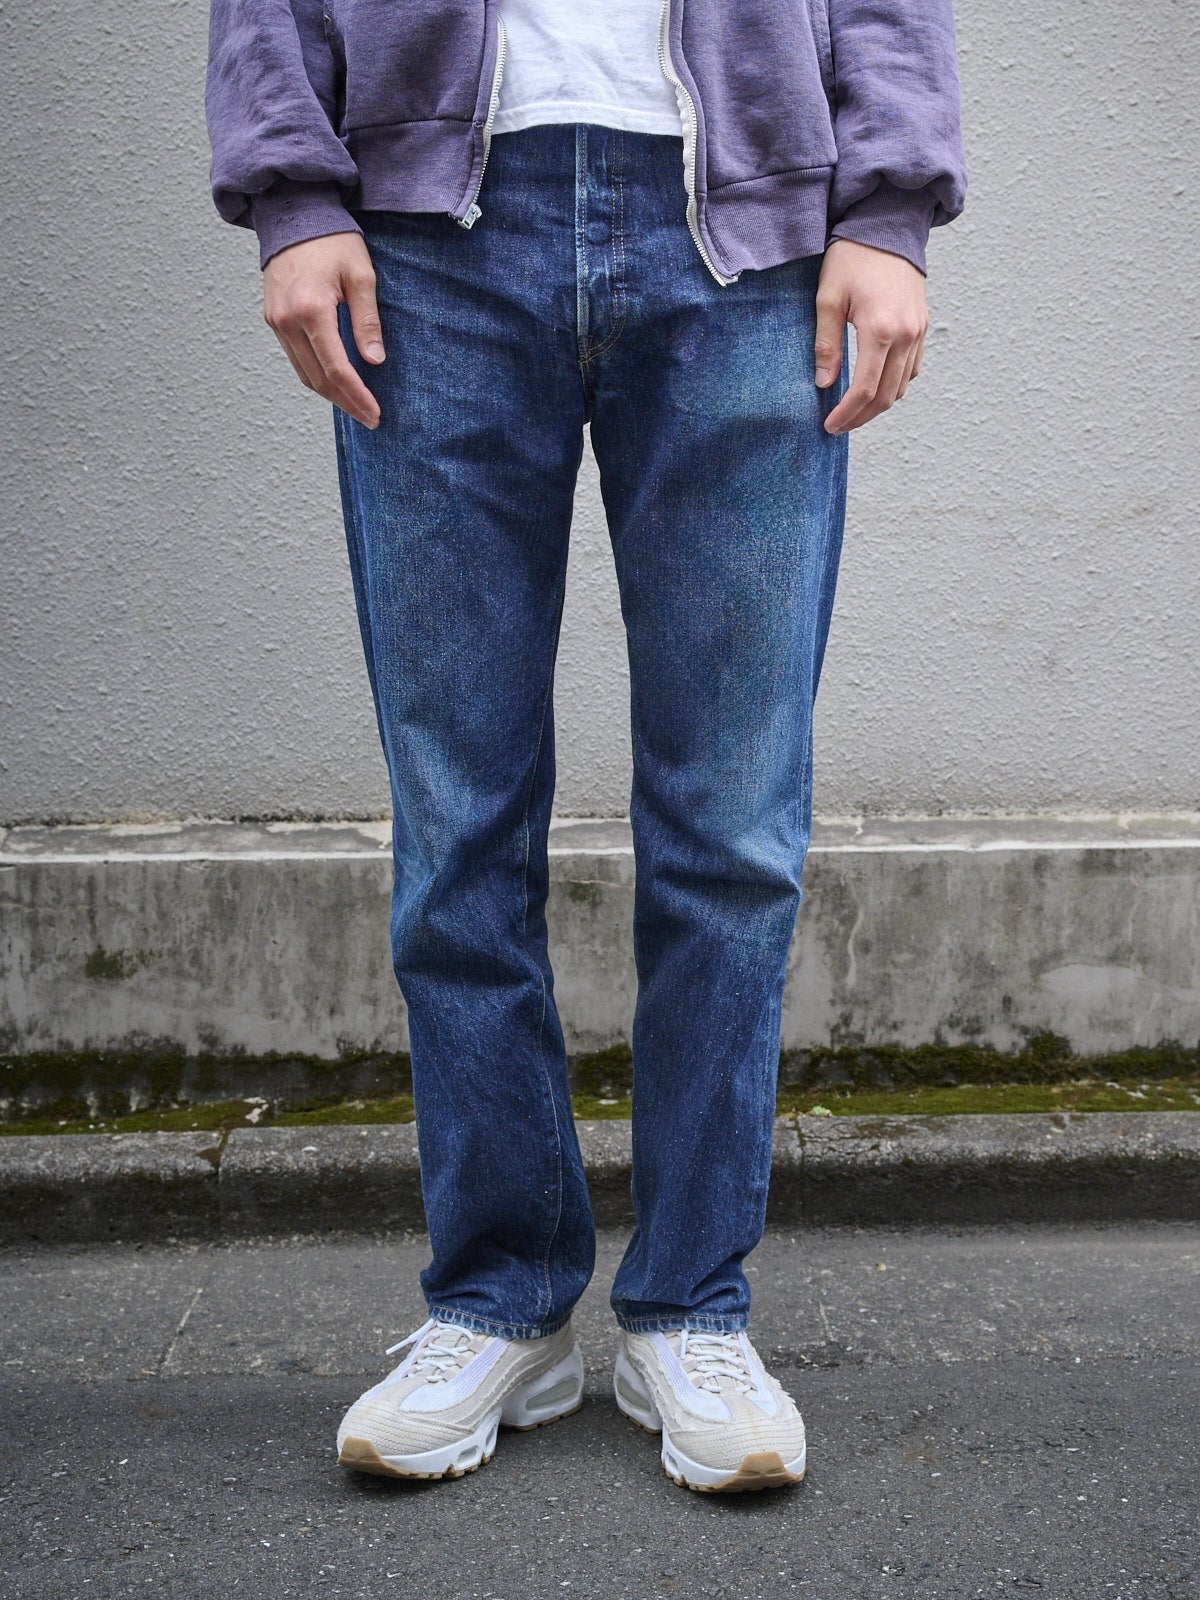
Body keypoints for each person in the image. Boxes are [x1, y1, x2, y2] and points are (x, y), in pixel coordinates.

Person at [205, 0, 966, 1494]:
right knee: (458, 825)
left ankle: (691, 1309)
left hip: (747, 234)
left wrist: (890, 206)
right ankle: (502, 1303)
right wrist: (290, 189)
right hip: (426, 238)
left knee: (731, 828)